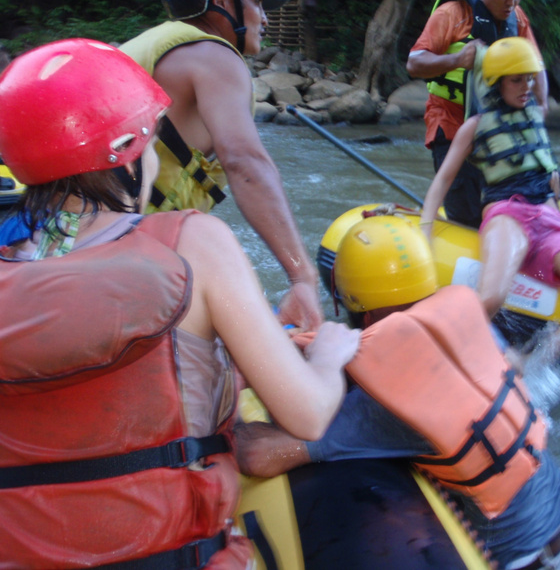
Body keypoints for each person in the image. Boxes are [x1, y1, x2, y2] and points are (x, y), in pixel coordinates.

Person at [0, 39, 359, 568]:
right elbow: (308, 414)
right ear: (126, 151)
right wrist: (328, 356)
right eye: (150, 144)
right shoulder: (194, 242)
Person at [234, 214, 560, 570]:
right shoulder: (473, 324)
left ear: (352, 305)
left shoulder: (378, 407)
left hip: (531, 559)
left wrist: (230, 403)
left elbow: (259, 455)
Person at [119, 0, 323, 331]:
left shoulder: (146, 46)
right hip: (131, 258)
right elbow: (246, 164)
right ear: (221, 0)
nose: (265, 18)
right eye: (258, 2)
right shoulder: (215, 57)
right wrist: (302, 277)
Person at [419, 37, 560, 357]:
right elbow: (443, 180)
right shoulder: (474, 127)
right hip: (507, 214)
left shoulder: (536, 116)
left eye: (529, 78)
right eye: (517, 79)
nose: (526, 86)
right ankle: (439, 355)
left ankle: (530, 360)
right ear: (497, 83)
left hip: (548, 217)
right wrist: (425, 229)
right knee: (491, 298)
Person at [407, 0, 549, 229]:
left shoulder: (517, 19)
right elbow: (414, 63)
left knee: (507, 204)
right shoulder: (452, 14)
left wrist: (542, 107)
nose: (512, 2)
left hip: (497, 129)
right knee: (466, 211)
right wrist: (457, 60)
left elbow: (536, 64)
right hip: (450, 122)